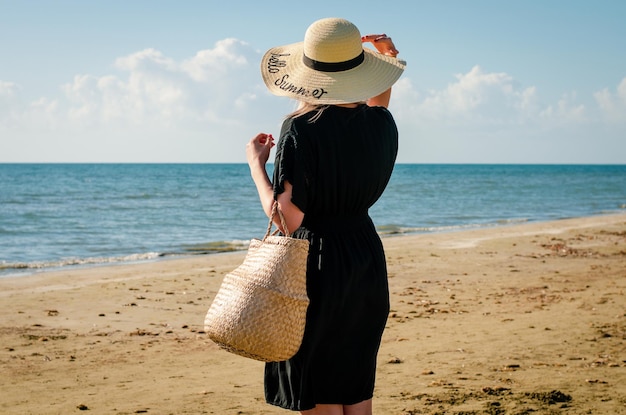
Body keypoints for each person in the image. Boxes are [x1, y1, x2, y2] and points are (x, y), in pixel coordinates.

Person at [246, 17, 406, 415]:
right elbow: (377, 100)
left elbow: (286, 220)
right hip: (365, 259)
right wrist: (389, 56)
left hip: (316, 266)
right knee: (355, 390)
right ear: (358, 71)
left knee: (317, 391)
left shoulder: (301, 129)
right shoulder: (382, 125)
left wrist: (255, 166)